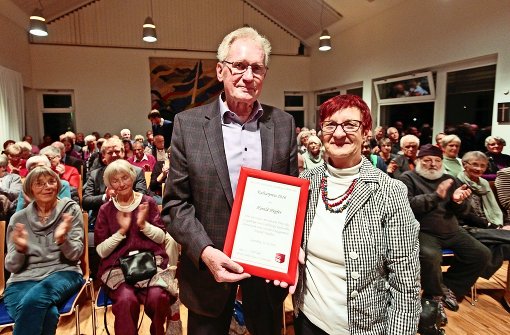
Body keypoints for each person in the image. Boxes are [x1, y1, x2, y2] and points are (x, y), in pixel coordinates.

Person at [162, 26, 298, 335]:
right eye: (239, 66)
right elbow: (175, 205)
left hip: (266, 275)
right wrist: (206, 252)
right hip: (207, 275)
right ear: (221, 70)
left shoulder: (283, 124)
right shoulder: (189, 124)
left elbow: (291, 201)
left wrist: (291, 251)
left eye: (257, 68)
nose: (248, 76)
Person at [294, 94, 420, 334]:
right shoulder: (306, 182)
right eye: (330, 125)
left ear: (367, 133)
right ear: (321, 132)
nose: (339, 134)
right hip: (308, 320)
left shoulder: (389, 192)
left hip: (363, 327)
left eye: (350, 124)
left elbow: (405, 283)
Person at [398, 144, 491, 324]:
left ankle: (448, 286)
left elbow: (463, 213)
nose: (433, 164)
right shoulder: (407, 178)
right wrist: (436, 196)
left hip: (452, 229)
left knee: (481, 254)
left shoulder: (449, 179)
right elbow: (407, 206)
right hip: (424, 231)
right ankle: (434, 295)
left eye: (437, 160)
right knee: (430, 256)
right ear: (418, 161)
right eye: (427, 160)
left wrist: (458, 201)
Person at [3, 166, 84, 335]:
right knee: (49, 314)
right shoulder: (18, 218)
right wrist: (21, 249)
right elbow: (12, 267)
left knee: (34, 300)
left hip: (63, 272)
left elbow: (75, 254)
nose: (47, 186)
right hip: (22, 279)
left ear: (58, 185)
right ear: (29, 189)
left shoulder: (70, 210)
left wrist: (63, 240)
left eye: (51, 181)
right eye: (39, 183)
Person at [95, 160, 172, 335]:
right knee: (125, 300)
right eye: (115, 180)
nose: (121, 184)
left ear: (132, 177)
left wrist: (143, 225)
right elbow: (101, 251)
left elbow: (161, 237)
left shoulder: (148, 202)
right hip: (117, 269)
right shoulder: (105, 210)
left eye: (125, 178)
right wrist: (121, 231)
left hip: (150, 264)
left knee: (158, 297)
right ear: (109, 184)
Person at [83, 138, 147, 230]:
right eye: (110, 152)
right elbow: (86, 202)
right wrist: (105, 197)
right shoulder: (95, 175)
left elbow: (142, 196)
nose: (114, 155)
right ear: (103, 156)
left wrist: (124, 194)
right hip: (103, 223)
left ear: (123, 152)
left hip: (132, 220)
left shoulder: (137, 171)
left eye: (117, 151)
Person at [0, 154, 23, 220]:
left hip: (7, 209)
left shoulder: (14, 177)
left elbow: (16, 194)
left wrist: (1, 189)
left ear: (4, 167)